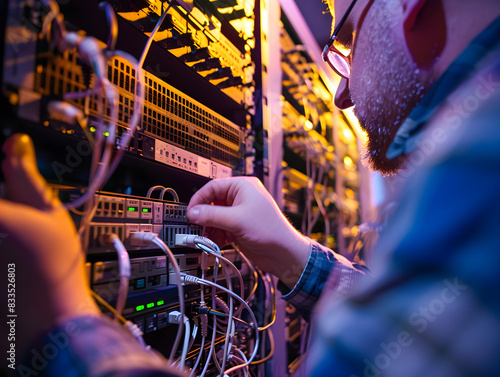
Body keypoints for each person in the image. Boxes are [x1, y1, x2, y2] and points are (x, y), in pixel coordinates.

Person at [2, 0, 500, 375]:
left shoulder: (482, 146)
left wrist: (61, 319)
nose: (341, 93)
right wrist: (294, 257)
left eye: (346, 40)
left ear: (410, 7)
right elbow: (413, 332)